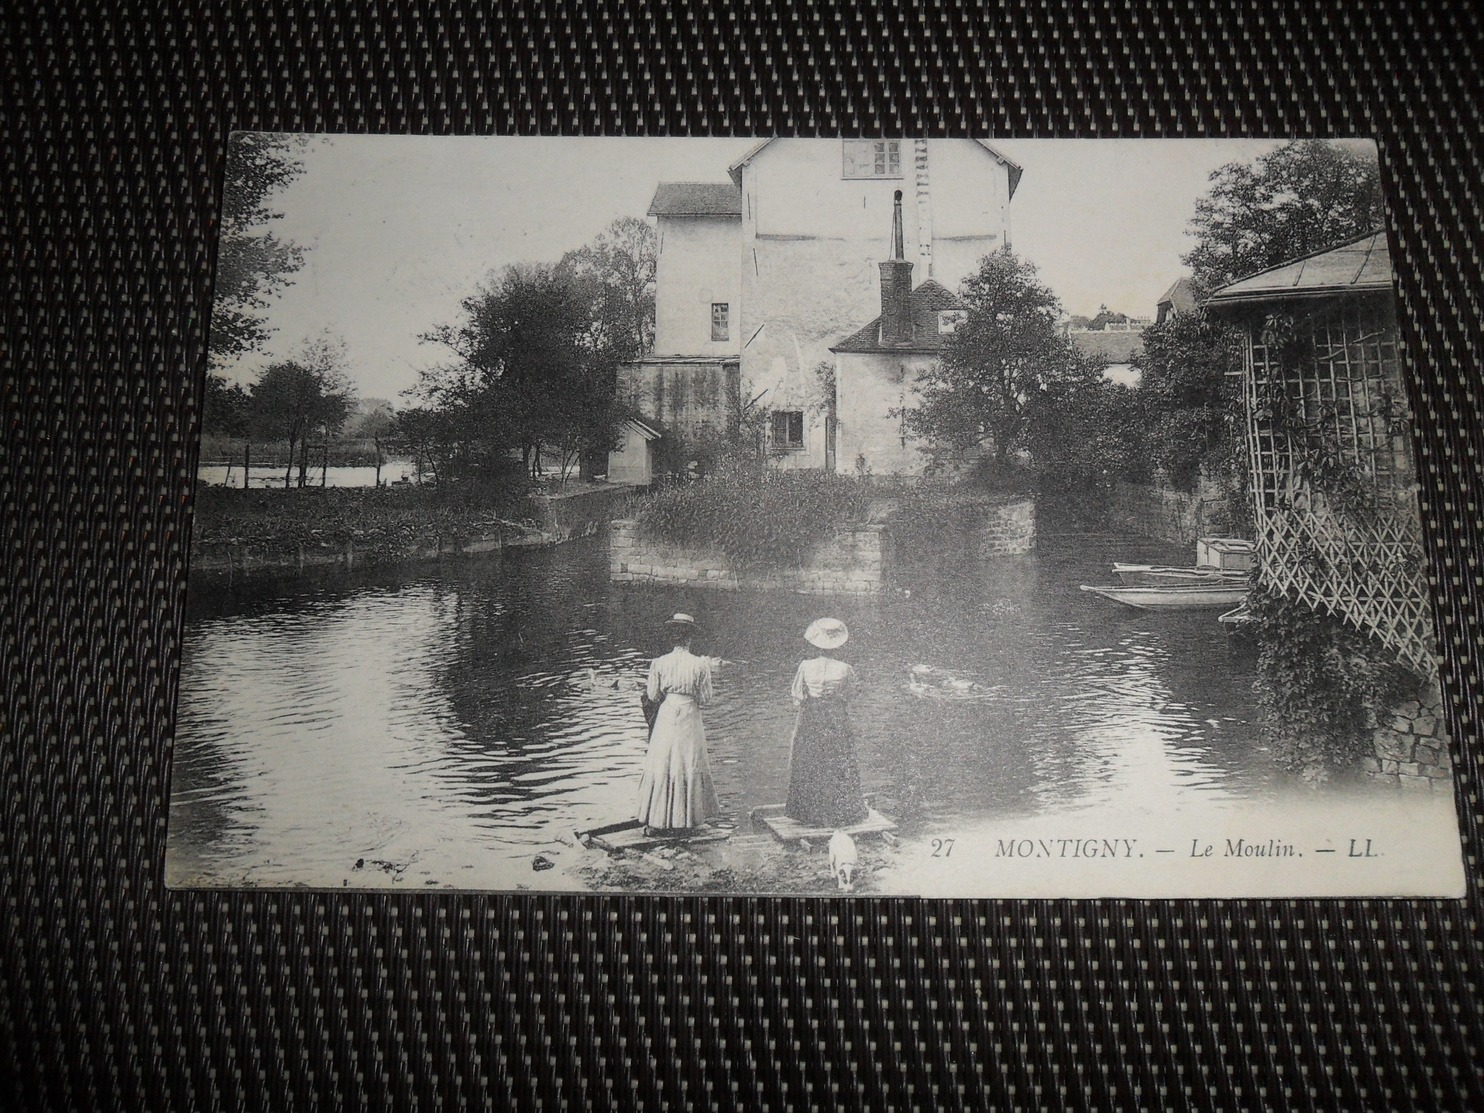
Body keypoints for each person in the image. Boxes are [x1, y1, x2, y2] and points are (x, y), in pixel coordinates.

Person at [636, 613, 722, 833]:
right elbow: (705, 698)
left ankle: (659, 819)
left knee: (664, 761)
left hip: (667, 715)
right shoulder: (700, 664)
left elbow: (653, 695)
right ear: (690, 639)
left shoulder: (659, 663)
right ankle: (688, 819)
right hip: (689, 716)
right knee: (687, 762)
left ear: (673, 638)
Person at [785, 618, 868, 828]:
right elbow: (851, 694)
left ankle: (808, 812)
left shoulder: (805, 666)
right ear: (839, 644)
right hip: (835, 717)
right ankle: (839, 810)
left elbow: (798, 695)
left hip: (811, 716)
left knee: (810, 760)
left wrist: (813, 698)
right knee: (837, 760)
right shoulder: (845, 668)